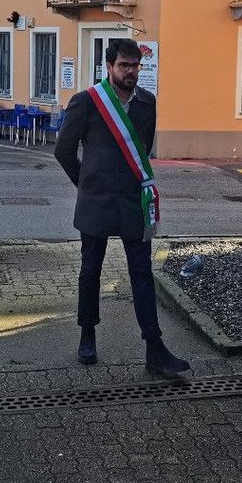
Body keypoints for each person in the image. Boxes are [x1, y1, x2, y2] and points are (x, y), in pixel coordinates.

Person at [54, 39, 190, 378]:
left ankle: (155, 348)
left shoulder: (147, 102)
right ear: (109, 67)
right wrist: (85, 183)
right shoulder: (87, 101)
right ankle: (87, 333)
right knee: (90, 271)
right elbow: (63, 151)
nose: (131, 72)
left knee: (142, 273)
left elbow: (142, 148)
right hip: (96, 202)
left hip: (133, 202)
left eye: (135, 66)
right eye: (124, 66)